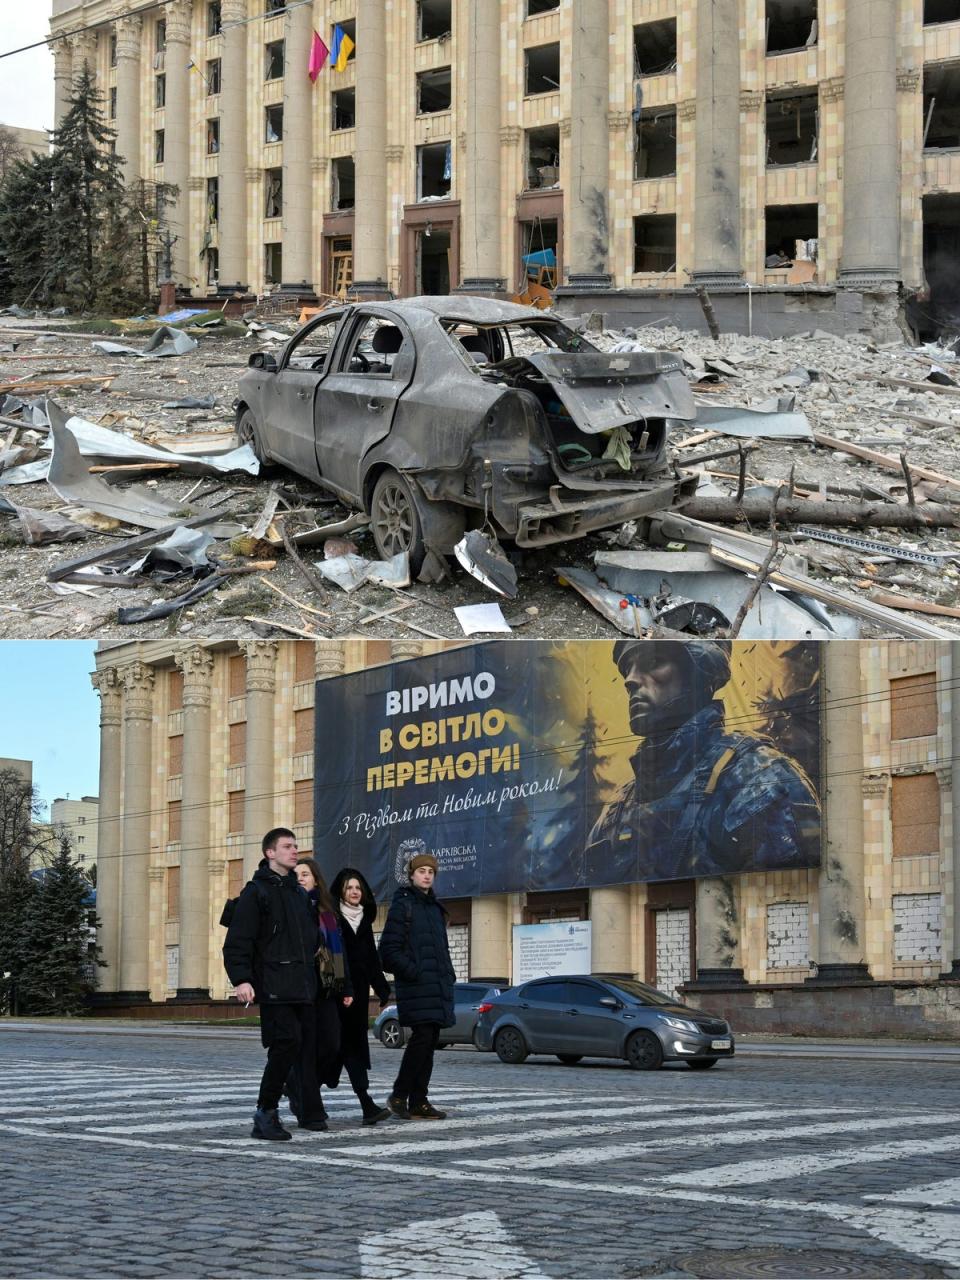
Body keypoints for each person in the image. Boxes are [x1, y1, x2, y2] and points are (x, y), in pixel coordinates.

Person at [585, 641, 821, 885]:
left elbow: (790, 894)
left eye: (653, 663)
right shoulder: (618, 807)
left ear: (697, 674)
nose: (630, 680)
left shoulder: (758, 779)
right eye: (627, 669)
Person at [222, 827, 326, 1141]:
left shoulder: (298, 893)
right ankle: (265, 1113)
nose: (294, 851)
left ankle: (290, 1104)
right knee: (285, 1045)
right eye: (287, 846)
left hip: (302, 985)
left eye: (295, 846)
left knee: (296, 1047)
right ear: (270, 853)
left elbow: (311, 936)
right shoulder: (256, 892)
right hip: (274, 984)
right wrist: (242, 979)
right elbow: (238, 941)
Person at [378, 851, 456, 1121]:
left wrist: (449, 975)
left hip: (436, 985)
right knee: (422, 1039)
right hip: (416, 985)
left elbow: (441, 949)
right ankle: (400, 1095)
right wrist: (415, 972)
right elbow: (388, 950)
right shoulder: (404, 904)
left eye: (431, 872)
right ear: (411, 875)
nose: (426, 875)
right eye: (421, 871)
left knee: (430, 1040)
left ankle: (419, 1100)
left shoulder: (435, 908)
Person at [291, 856, 354, 1128]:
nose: (300, 878)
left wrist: (346, 986)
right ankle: (309, 1105)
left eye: (305, 874)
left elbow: (340, 952)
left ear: (315, 878)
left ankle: (296, 1086)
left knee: (331, 1046)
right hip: (301, 989)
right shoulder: (291, 907)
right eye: (296, 875)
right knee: (306, 1049)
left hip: (327, 988)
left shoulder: (328, 912)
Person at [330, 867, 392, 1126]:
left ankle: (366, 1104)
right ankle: (295, 1089)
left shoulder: (364, 921)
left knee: (348, 1048)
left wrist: (382, 987)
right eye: (349, 888)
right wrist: (343, 988)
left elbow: (370, 960)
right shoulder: (330, 919)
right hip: (334, 997)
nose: (354, 892)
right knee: (333, 1049)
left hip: (358, 999)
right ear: (340, 892)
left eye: (358, 888)